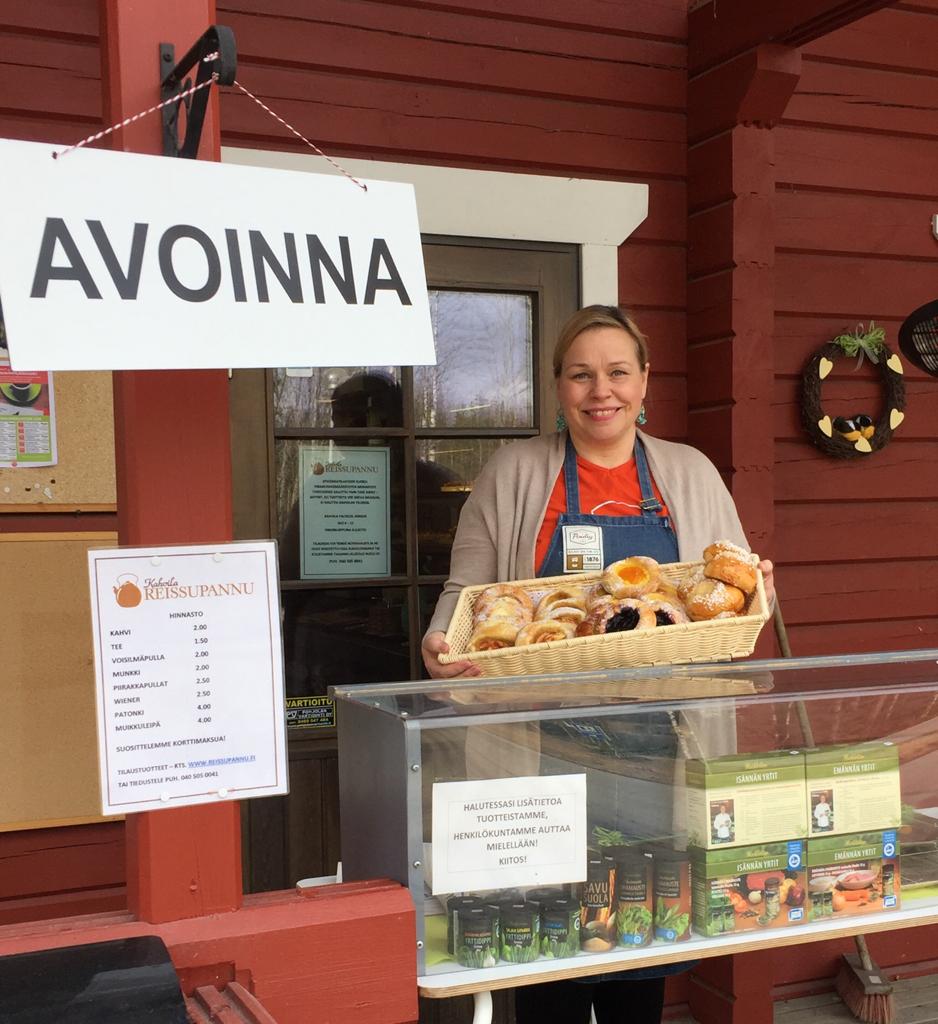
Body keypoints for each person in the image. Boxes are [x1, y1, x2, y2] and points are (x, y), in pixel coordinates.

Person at [421, 305, 775, 1024]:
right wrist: (440, 639)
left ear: (644, 381)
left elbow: (730, 600)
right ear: (558, 386)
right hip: (540, 750)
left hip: (662, 751)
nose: (600, 391)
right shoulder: (514, 472)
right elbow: (470, 592)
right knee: (549, 951)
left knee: (638, 943)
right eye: (581, 375)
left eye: (617, 372)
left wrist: (757, 585)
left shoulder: (689, 472)